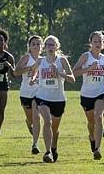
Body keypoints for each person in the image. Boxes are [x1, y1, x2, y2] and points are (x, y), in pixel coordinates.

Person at [72, 31, 104, 160]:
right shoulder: (85, 56)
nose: (98, 44)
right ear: (91, 43)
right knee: (91, 123)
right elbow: (74, 72)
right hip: (87, 94)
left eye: (100, 41)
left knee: (98, 117)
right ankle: (92, 138)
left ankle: (98, 149)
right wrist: (88, 69)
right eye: (95, 41)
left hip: (102, 91)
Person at [31, 35, 74, 163]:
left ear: (57, 46)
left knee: (54, 129)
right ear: (44, 47)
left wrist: (59, 73)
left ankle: (54, 147)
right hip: (42, 96)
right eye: (47, 45)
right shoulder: (41, 61)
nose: (50, 47)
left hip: (59, 99)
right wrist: (34, 79)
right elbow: (34, 71)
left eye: (52, 44)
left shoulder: (62, 61)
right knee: (47, 121)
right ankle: (48, 152)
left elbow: (72, 79)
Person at [14, 34, 43, 154]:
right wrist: (29, 68)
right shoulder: (26, 58)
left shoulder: (43, 60)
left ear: (42, 47)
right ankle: (28, 122)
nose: (36, 46)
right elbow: (16, 72)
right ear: (29, 47)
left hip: (39, 92)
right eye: (33, 44)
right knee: (31, 119)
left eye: (38, 44)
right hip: (26, 92)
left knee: (37, 117)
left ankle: (35, 144)